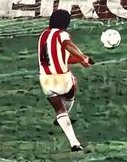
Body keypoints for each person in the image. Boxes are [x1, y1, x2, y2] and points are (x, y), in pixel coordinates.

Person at [38, 9, 93, 152]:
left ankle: (74, 143)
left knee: (59, 110)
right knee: (72, 84)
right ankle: (67, 111)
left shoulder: (43, 35)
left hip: (45, 80)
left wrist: (81, 60)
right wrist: (82, 58)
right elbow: (67, 45)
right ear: (66, 24)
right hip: (62, 79)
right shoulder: (62, 34)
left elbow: (64, 57)